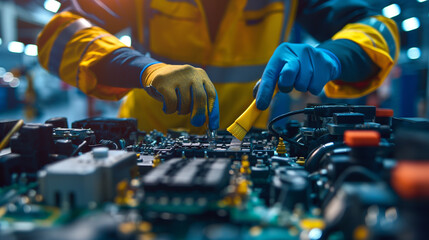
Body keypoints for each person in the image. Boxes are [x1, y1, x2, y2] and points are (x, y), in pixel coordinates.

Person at [37, 0, 399, 134]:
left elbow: (377, 29)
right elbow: (61, 34)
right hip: (147, 142)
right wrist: (144, 70)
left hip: (251, 146)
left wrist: (332, 57)